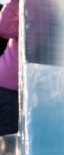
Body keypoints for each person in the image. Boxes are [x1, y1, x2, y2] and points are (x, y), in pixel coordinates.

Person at [0, 0, 18, 136]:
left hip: (13, 83)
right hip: (9, 85)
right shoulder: (25, 19)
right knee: (9, 132)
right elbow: (4, 28)